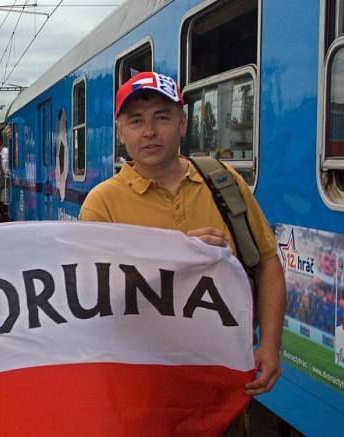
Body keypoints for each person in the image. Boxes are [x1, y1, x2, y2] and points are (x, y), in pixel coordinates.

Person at [78, 72, 285, 397]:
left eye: (162, 117)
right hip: (142, 382)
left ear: (183, 124)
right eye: (135, 121)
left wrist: (271, 345)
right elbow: (93, 298)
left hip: (221, 373)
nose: (149, 132)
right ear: (121, 132)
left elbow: (268, 263)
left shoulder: (223, 182)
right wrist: (175, 258)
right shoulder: (102, 203)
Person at [0, 140, 11, 222]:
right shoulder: (0, 154)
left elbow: (6, 165)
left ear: (2, 146)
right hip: (5, 177)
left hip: (7, 177)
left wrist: (6, 174)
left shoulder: (6, 152)